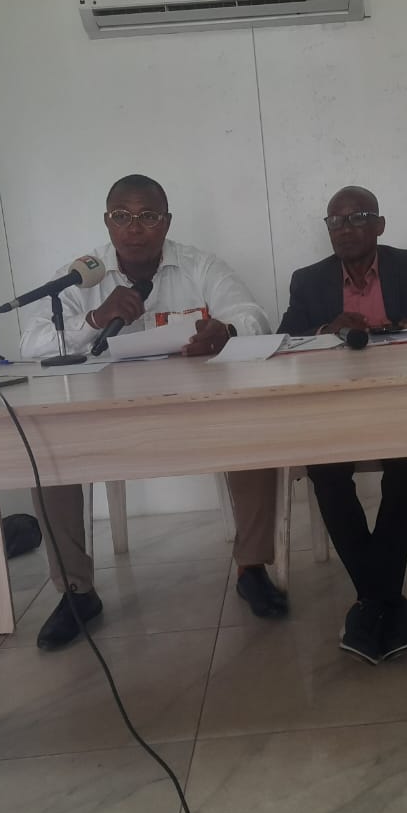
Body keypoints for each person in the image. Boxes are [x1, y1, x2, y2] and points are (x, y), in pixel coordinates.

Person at [21, 174, 285, 649]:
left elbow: (253, 314)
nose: (134, 227)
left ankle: (252, 568)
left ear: (167, 222)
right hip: (105, 415)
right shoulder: (83, 276)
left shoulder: (199, 265)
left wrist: (225, 330)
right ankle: (76, 593)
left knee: (254, 430)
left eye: (147, 216)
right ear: (107, 222)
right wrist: (94, 319)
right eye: (122, 216)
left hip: (195, 408)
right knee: (48, 454)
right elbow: (31, 342)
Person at [277, 186, 407, 664]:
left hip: (403, 403)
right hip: (334, 408)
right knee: (326, 470)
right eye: (335, 221)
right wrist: (327, 329)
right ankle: (387, 601)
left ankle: (371, 603)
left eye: (357, 217)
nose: (345, 229)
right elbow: (283, 342)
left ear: (379, 225)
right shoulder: (309, 281)